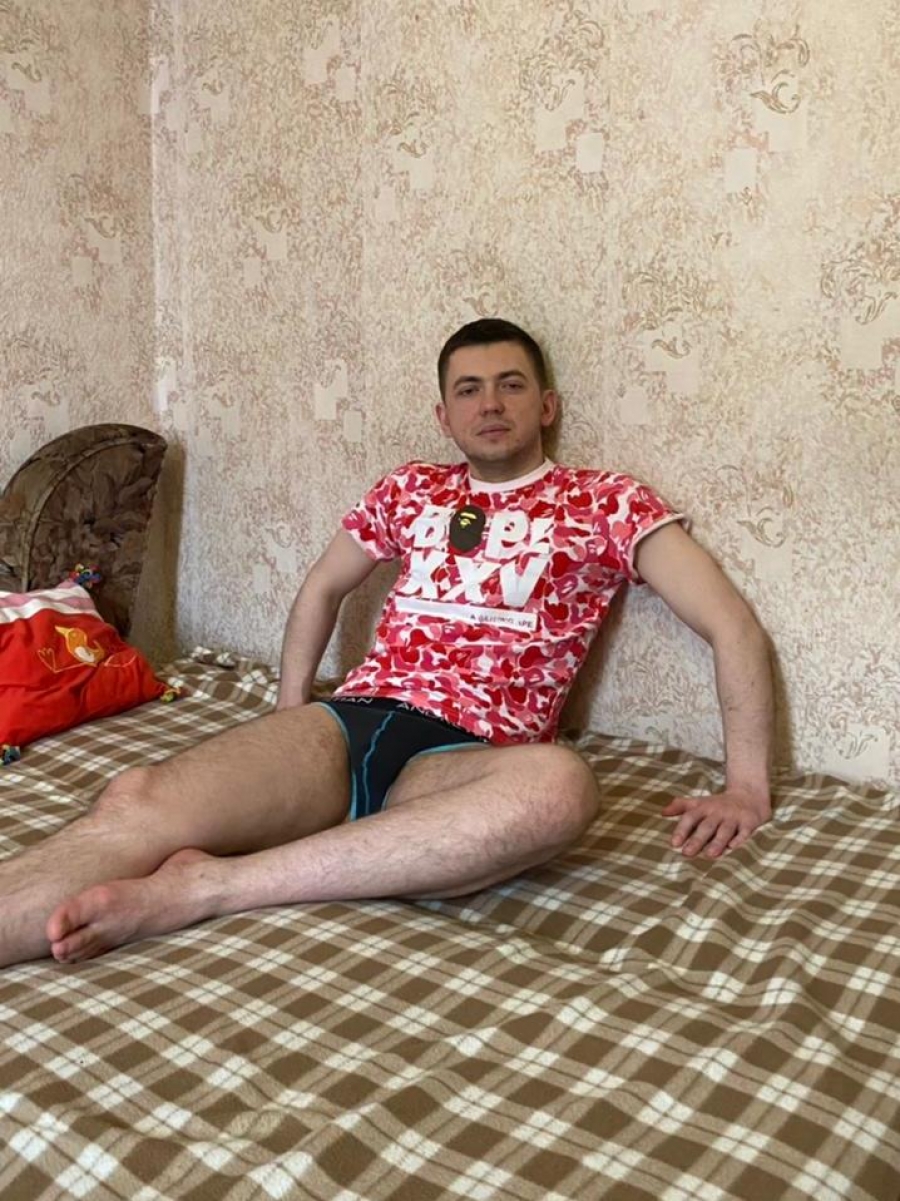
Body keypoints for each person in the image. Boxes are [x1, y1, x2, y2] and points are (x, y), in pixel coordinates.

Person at [0, 318, 774, 968]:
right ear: (444, 414)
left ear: (547, 405)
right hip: (350, 724)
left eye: (511, 384)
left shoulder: (606, 501)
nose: (490, 402)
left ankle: (210, 886)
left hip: (468, 759)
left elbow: (730, 624)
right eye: (468, 389)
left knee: (562, 787)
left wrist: (746, 786)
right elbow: (322, 588)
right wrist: (290, 712)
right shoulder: (410, 488)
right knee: (139, 799)